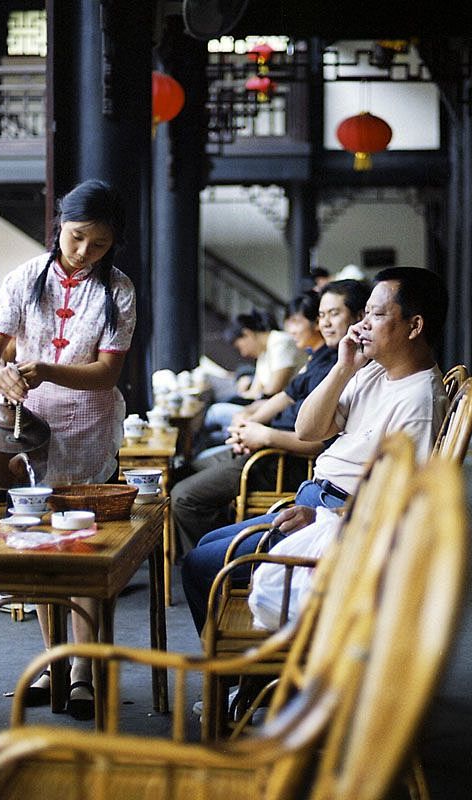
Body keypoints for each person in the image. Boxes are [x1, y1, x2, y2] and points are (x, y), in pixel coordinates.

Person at [182, 267, 449, 634]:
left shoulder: (419, 400)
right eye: (365, 312)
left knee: (199, 564)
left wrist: (328, 518)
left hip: (337, 522)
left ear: (414, 326)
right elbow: (308, 430)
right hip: (315, 501)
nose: (364, 323)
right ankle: (247, 681)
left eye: (376, 313)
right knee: (210, 542)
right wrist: (342, 368)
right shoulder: (372, 370)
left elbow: (404, 504)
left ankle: (241, 677)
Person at [0, 179, 136, 720]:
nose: (85, 252)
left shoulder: (119, 291)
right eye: (76, 238)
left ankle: (84, 668)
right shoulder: (23, 279)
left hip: (90, 428)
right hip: (30, 428)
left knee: (83, 544)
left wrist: (43, 368)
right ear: (59, 228)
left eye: (99, 244)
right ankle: (53, 660)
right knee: (42, 546)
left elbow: (105, 373)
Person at [171, 281, 370, 553]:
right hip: (266, 449)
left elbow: (321, 440)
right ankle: (215, 548)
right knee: (186, 470)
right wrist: (248, 426)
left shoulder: (349, 367)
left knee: (183, 497)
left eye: (334, 314)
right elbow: (282, 397)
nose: (324, 323)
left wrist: (263, 435)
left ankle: (219, 560)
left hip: (281, 460)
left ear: (360, 317)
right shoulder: (324, 357)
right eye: (321, 315)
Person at [200, 308, 304, 449]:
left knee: (215, 412)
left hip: (280, 412)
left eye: (239, 347)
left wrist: (250, 407)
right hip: (264, 407)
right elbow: (255, 391)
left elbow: (274, 389)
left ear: (247, 334)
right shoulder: (263, 353)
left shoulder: (280, 341)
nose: (243, 353)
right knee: (213, 436)